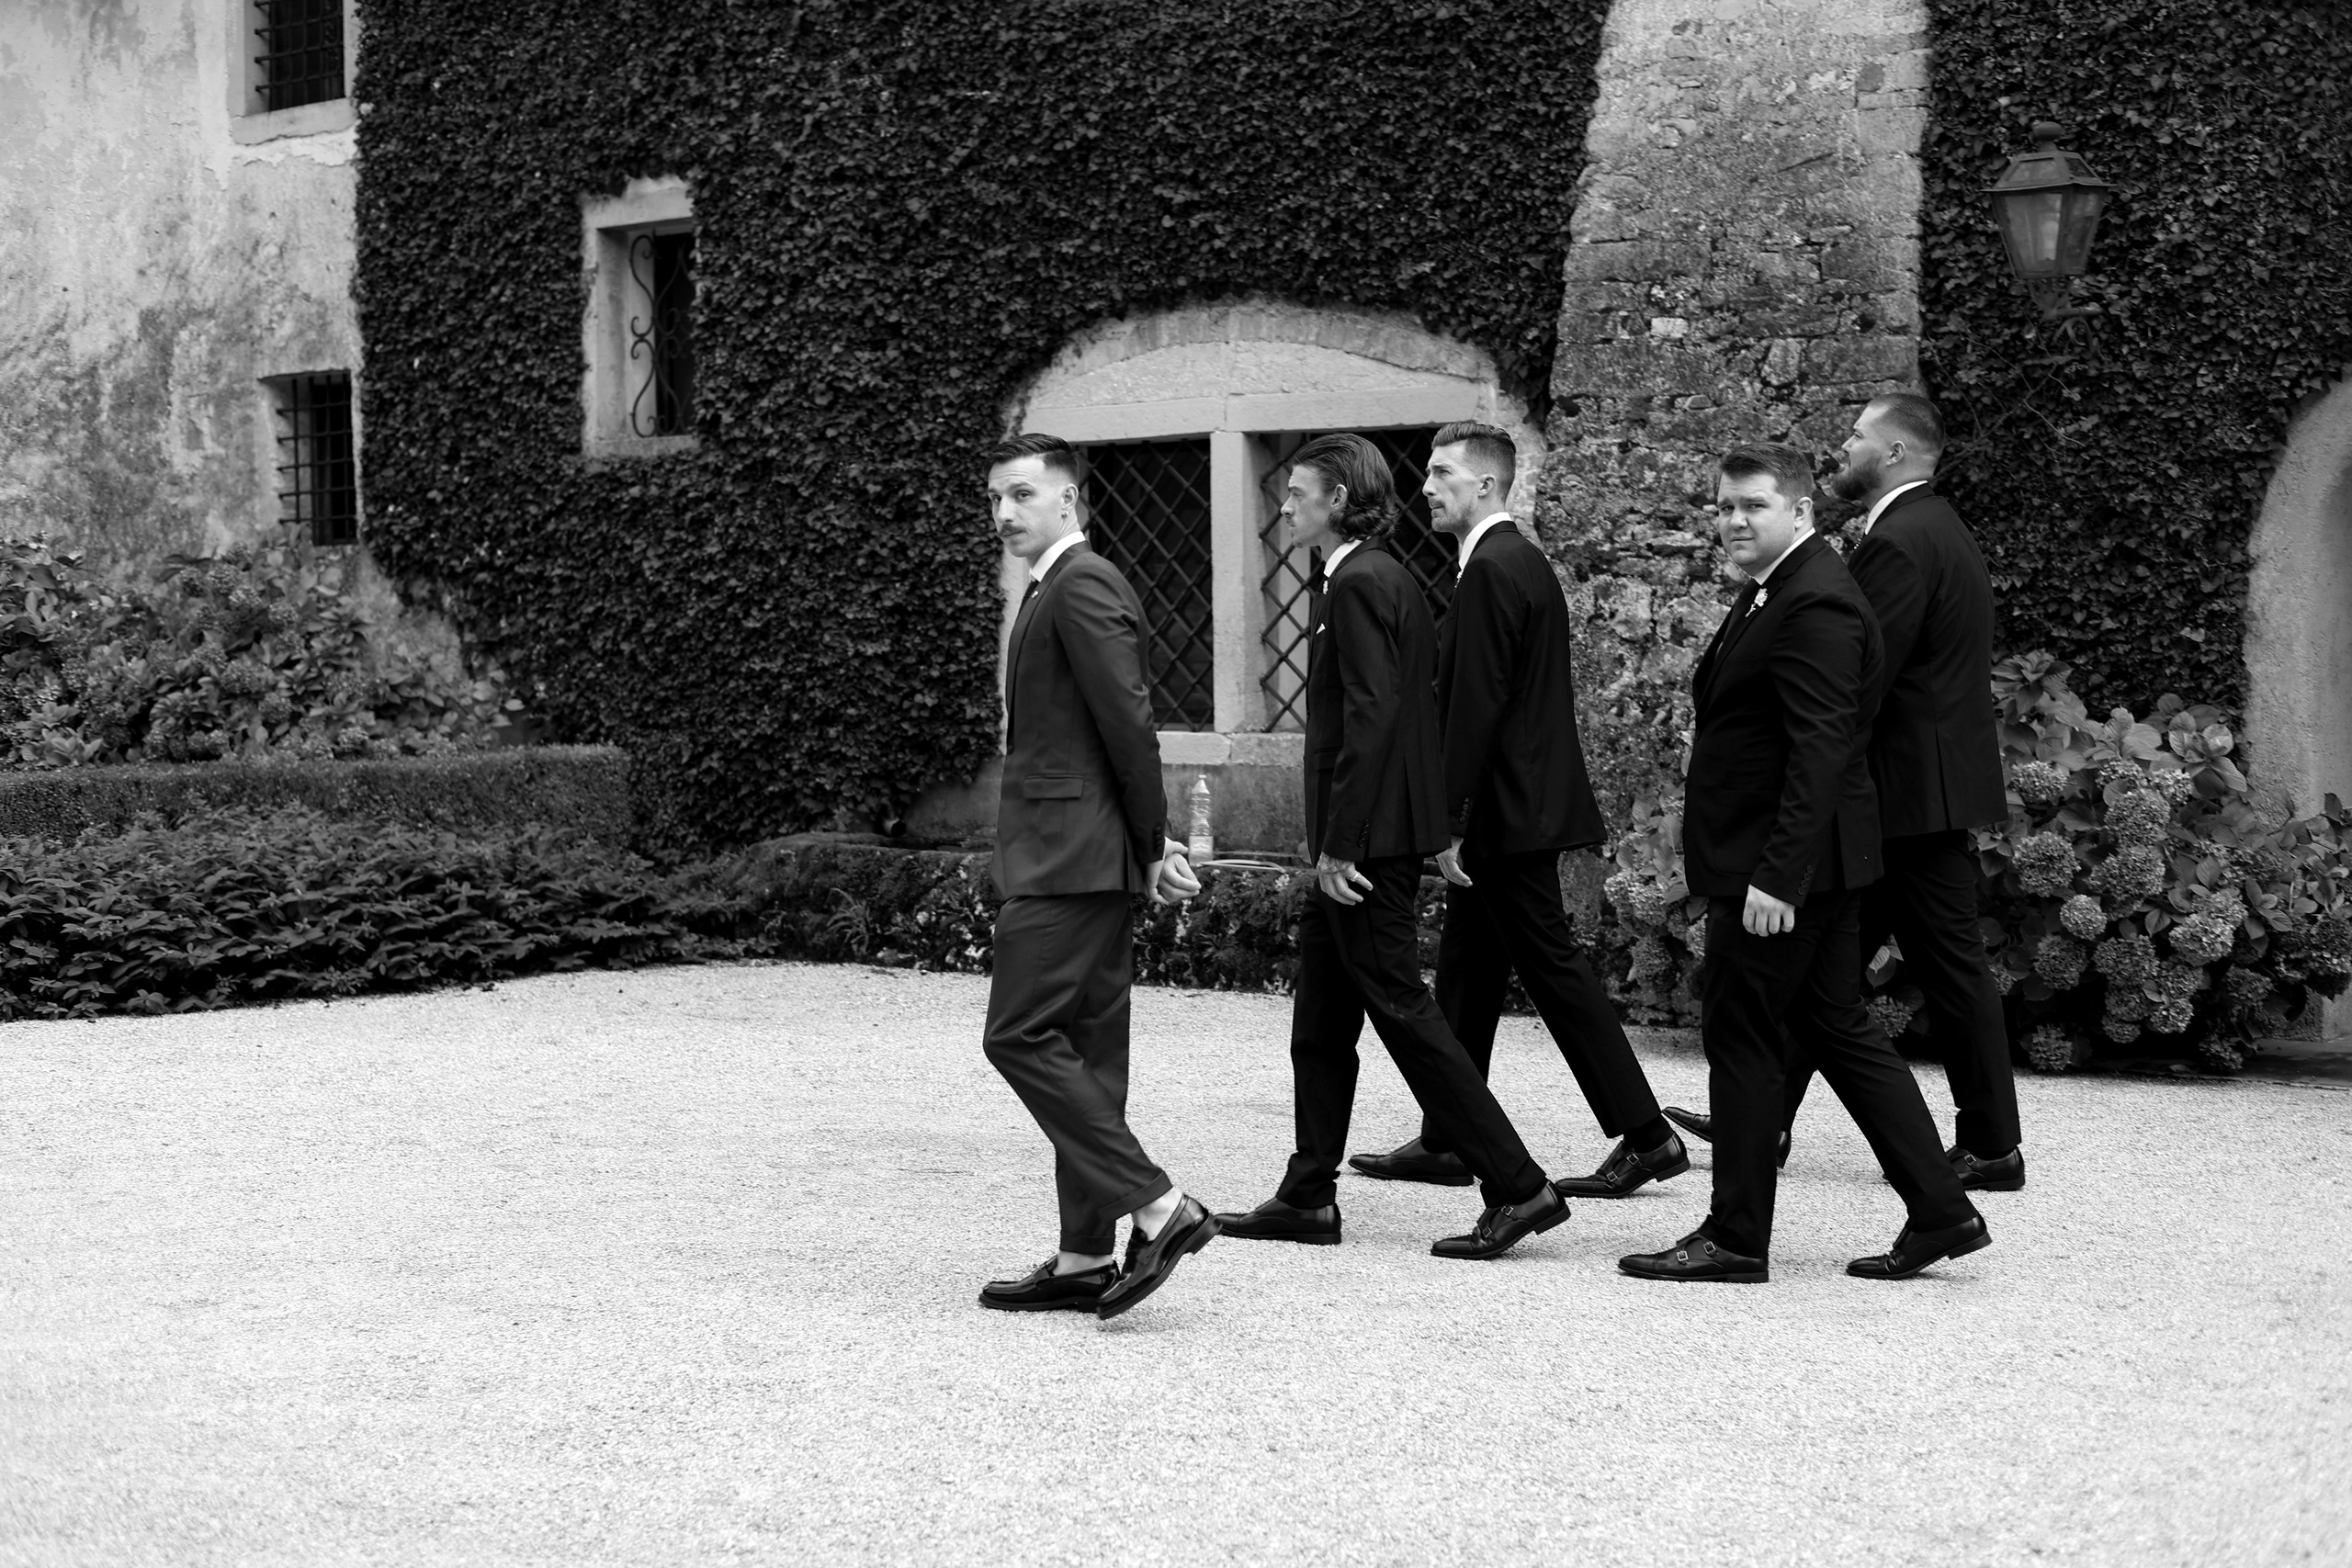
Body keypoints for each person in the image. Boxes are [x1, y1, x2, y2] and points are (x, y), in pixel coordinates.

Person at [1620, 442, 1988, 1284]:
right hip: (1800, 863)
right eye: (1723, 507)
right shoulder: (1777, 589)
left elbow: (1823, 749)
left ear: (1800, 511)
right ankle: (1942, 1210)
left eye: (1753, 505)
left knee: (1744, 1037)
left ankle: (1735, 1237)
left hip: (1785, 871)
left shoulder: (1815, 600)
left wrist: (1777, 877)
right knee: (1838, 1027)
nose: (1735, 521)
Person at [1214, 434, 1569, 1260]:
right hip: (1365, 838)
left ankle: (1519, 1186)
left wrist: (1339, 848)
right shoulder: (1360, 577)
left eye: (1298, 492)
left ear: (1338, 499)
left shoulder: (1365, 579)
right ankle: (1308, 1194)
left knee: (1405, 1013)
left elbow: (1372, 720)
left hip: (1367, 847)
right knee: (1321, 1024)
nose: (1285, 505)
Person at [1663, 395, 2024, 1191]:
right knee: (1826, 984)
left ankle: (1991, 1143)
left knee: (1934, 967)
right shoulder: (1937, 526)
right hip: (1914, 788)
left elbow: (1859, 680)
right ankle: (1766, 1118)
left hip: (1902, 794)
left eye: (1859, 435)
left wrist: (1809, 782)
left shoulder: (1896, 542)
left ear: (1893, 453)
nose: (1846, 446)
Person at [1348, 422, 1687, 1199]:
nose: (1426, 488)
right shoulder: (1505, 562)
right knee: (1467, 970)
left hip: (1508, 813)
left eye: (1442, 475)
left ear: (1488, 486)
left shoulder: (1497, 567)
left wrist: (1450, 818)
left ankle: (1647, 1135)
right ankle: (1448, 1135)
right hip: (1515, 804)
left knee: (1554, 969)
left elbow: (1478, 706)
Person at [975, 433, 1218, 1321]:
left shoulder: (1084, 583)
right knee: (1084, 1053)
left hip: (1070, 859)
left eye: (1023, 496)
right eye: (996, 497)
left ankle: (1158, 1204)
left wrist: (1152, 843)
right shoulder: (1053, 586)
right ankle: (1084, 1256)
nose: (1004, 513)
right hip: (1078, 851)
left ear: (1069, 501)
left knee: (1019, 1035)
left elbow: (1131, 725)